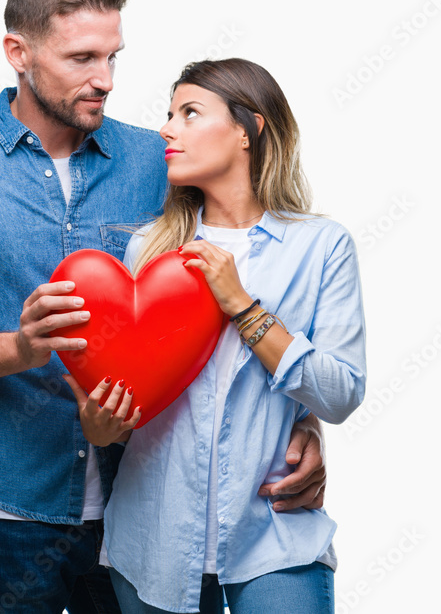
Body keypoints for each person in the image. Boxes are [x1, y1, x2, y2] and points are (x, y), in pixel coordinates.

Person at [0, 0, 329, 614]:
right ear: (17, 52)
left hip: (149, 512)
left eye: (113, 57)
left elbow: (250, 285)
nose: (105, 79)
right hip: (7, 514)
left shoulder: (161, 160)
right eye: (82, 58)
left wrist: (302, 422)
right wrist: (20, 349)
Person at [65, 59, 367, 613]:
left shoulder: (322, 246)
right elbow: (128, 404)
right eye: (169, 113)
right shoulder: (149, 252)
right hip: (152, 538)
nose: (167, 129)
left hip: (274, 535)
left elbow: (341, 393)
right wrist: (99, 423)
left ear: (247, 130)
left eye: (189, 113)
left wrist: (242, 306)